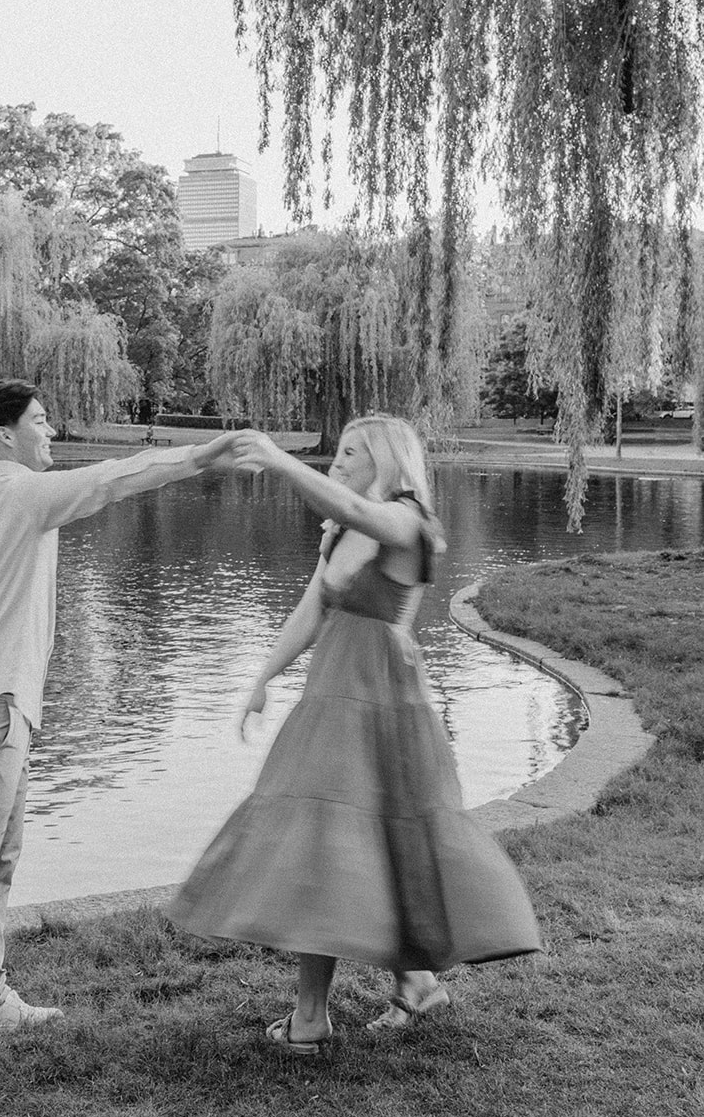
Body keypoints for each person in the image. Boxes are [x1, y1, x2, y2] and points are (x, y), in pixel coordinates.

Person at [0, 380, 240, 1079]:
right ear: (5, 436)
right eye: (41, 421)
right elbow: (114, 479)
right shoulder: (20, 494)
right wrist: (201, 456)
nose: (52, 432)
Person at [167, 414, 540, 1053]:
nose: (337, 462)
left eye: (349, 453)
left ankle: (314, 1017)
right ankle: (414, 984)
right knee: (350, 839)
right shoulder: (343, 529)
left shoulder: (405, 522)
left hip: (385, 702)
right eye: (334, 452)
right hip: (333, 696)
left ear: (389, 463)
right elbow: (312, 607)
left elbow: (347, 506)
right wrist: (263, 677)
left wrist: (280, 461)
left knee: (349, 839)